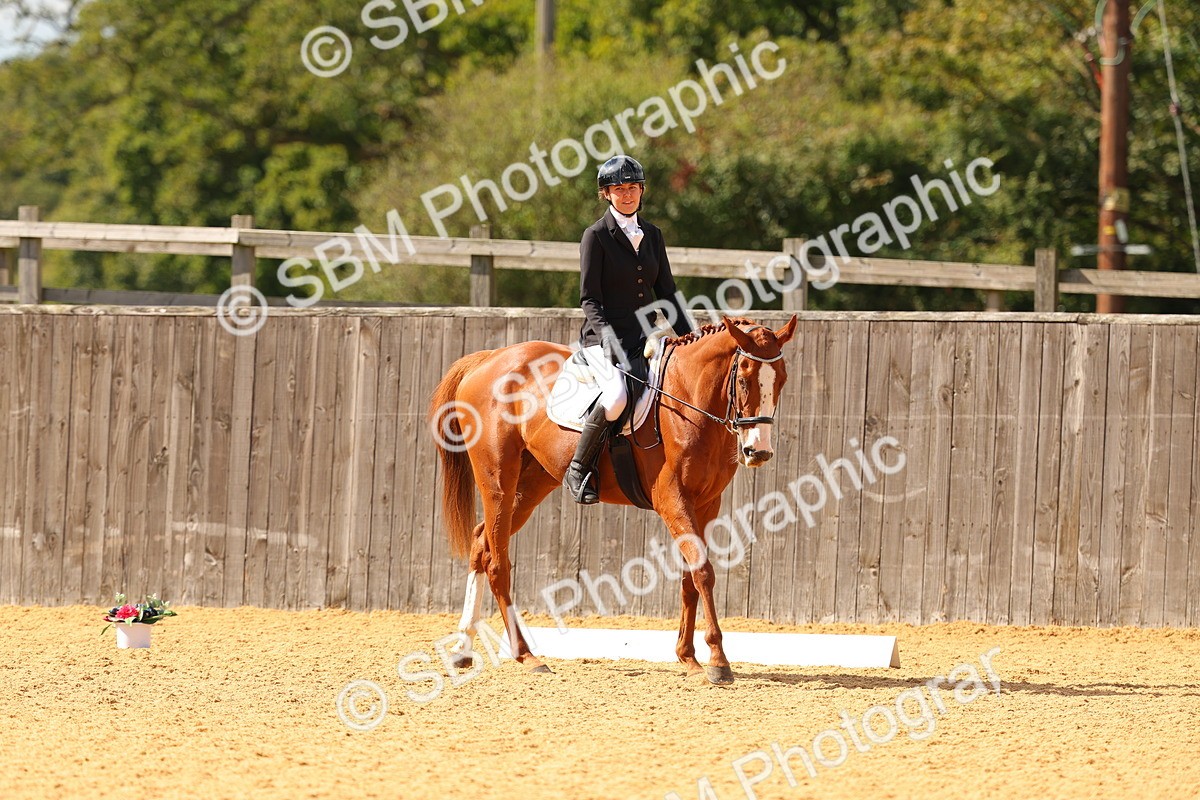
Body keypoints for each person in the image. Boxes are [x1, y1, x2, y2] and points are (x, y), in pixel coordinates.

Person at [564, 155, 696, 505]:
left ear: (642, 191)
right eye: (618, 189)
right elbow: (589, 298)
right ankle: (579, 467)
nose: (627, 195)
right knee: (617, 397)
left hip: (644, 338)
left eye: (632, 188)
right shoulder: (595, 236)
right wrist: (605, 334)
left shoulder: (653, 235)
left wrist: (692, 336)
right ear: (606, 194)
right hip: (602, 340)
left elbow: (666, 292)